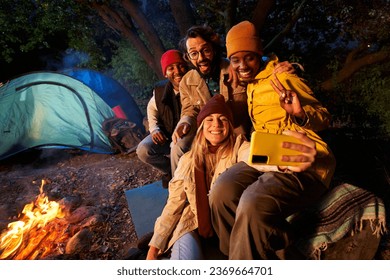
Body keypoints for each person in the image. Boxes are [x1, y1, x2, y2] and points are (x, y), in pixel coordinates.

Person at [209, 20, 337, 259]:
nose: (243, 65)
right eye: (236, 60)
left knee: (251, 201)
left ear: (259, 55)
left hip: (304, 161)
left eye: (249, 57)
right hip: (266, 154)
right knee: (221, 192)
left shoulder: (283, 78)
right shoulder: (247, 84)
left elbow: (324, 117)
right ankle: (235, 257)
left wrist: (299, 114)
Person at [146, 94, 319, 260]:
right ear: (201, 127)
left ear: (229, 125)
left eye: (222, 119)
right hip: (193, 224)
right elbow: (174, 204)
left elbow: (255, 155)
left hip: (227, 228)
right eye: (210, 120)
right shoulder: (187, 160)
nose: (216, 125)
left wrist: (283, 160)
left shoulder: (238, 146)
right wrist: (154, 248)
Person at [169, 25, 294, 175]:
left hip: (243, 132)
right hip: (214, 135)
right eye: (194, 54)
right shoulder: (186, 82)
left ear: (214, 49)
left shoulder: (235, 66)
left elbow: (258, 62)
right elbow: (190, 109)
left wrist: (282, 66)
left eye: (206, 51)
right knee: (177, 146)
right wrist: (184, 122)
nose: (201, 58)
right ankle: (179, 189)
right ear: (188, 57)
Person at [136, 50, 188, 187]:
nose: (177, 71)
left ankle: (179, 181)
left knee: (178, 148)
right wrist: (154, 129)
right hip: (167, 135)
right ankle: (171, 171)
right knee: (143, 150)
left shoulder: (195, 86)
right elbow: (151, 108)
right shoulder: (160, 91)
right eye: (171, 68)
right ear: (165, 73)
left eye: (180, 65)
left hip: (188, 138)